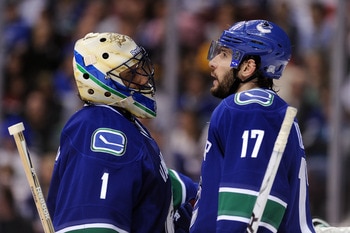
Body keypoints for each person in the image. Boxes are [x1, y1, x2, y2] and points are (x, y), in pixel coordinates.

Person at [46, 32, 197, 233]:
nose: (143, 80)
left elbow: (149, 183)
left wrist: (196, 192)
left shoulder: (124, 124)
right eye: (130, 74)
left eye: (140, 69)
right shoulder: (102, 128)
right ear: (101, 80)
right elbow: (94, 225)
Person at [190, 20, 316, 232]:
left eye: (224, 54)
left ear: (248, 67)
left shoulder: (247, 109)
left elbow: (247, 203)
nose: (212, 62)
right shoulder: (266, 110)